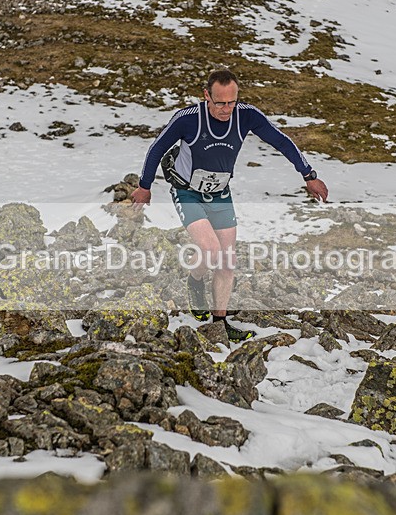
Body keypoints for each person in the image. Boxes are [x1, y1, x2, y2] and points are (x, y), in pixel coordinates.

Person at [131, 69, 328, 342]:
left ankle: (220, 323)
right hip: (187, 191)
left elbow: (281, 141)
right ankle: (195, 280)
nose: (226, 109)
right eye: (219, 102)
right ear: (206, 96)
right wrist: (144, 186)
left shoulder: (246, 115)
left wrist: (309, 175)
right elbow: (156, 148)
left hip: (220, 192)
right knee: (210, 251)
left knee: (227, 260)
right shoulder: (188, 119)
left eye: (231, 102)